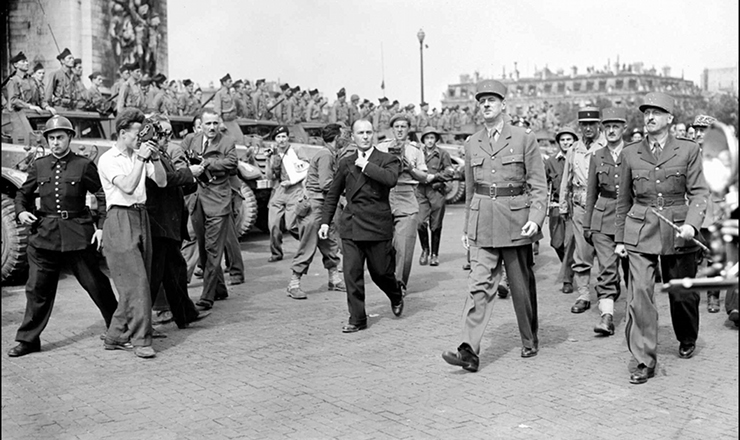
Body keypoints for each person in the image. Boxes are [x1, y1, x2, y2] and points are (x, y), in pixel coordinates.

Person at [442, 79, 547, 372]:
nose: (486, 105)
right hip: (483, 223)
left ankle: (529, 338)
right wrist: (466, 227)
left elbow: (538, 185)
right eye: (481, 101)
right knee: (478, 286)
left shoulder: (524, 138)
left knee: (520, 286)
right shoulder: (472, 142)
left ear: (503, 105)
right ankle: (468, 350)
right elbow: (472, 187)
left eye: (491, 100)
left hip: (515, 220)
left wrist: (535, 220)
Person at [615, 92, 708, 384]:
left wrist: (693, 225)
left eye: (657, 112)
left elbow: (699, 193)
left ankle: (687, 335)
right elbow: (622, 201)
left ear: (670, 119)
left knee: (681, 294)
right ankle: (644, 359)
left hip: (678, 229)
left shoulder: (688, 150)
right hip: (640, 230)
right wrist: (620, 238)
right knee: (640, 293)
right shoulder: (631, 152)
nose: (650, 118)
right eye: (646, 113)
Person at [7, 116, 118, 357]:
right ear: (46, 140)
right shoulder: (39, 165)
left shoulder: (83, 165)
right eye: (52, 138)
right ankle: (28, 340)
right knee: (37, 289)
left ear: (69, 138)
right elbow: (22, 195)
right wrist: (22, 212)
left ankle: (119, 327)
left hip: (77, 234)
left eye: (60, 137)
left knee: (95, 284)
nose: (56, 143)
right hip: (45, 235)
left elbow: (102, 195)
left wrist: (100, 226)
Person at [318, 119, 404, 332]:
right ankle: (357, 318)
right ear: (353, 137)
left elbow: (390, 179)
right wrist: (325, 222)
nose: (365, 136)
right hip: (352, 225)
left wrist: (366, 166)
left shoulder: (387, 159)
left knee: (381, 273)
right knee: (352, 273)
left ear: (373, 134)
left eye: (368, 132)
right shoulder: (346, 162)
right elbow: (333, 194)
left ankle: (395, 294)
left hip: (377, 225)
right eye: (360, 133)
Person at [97, 108, 167, 359]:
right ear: (122, 133)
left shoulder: (138, 155)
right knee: (136, 284)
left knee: (138, 282)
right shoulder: (108, 158)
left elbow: (161, 182)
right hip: (120, 217)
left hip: (141, 216)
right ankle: (141, 340)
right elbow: (126, 186)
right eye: (138, 133)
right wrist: (140, 160)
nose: (142, 137)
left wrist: (155, 158)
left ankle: (116, 335)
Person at [144, 116, 211, 329]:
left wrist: (193, 177)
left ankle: (185, 314)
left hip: (168, 222)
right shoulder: (149, 156)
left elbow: (177, 186)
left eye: (168, 133)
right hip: (159, 223)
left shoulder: (161, 155)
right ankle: (139, 321)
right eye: (163, 134)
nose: (167, 138)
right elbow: (165, 182)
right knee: (157, 277)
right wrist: (188, 174)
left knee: (176, 271)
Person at [181, 109, 238, 310]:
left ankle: (207, 295)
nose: (212, 127)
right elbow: (181, 158)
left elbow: (232, 163)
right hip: (196, 200)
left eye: (215, 123)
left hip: (218, 201)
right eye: (208, 124)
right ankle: (219, 288)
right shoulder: (191, 140)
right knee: (203, 246)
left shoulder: (227, 142)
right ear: (201, 124)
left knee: (213, 249)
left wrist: (207, 164)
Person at [583, 108, 629, 336]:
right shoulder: (597, 156)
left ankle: (637, 314)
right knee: (607, 269)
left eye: (616, 127)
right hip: (602, 220)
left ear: (624, 129)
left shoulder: (634, 153)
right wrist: (587, 224)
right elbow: (591, 193)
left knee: (633, 270)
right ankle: (607, 317)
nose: (611, 131)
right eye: (607, 127)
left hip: (631, 219)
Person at [287, 124, 345, 299]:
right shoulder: (326, 155)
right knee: (308, 245)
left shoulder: (327, 153)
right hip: (315, 206)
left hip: (322, 205)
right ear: (336, 137)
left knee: (328, 243)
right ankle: (293, 283)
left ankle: (334, 279)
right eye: (343, 136)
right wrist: (344, 191)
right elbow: (326, 184)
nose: (345, 138)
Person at [377, 113, 431, 294]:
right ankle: (386, 277)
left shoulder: (415, 150)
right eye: (397, 127)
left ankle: (399, 284)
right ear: (392, 129)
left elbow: (424, 177)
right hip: (384, 195)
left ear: (408, 129)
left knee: (404, 245)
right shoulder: (381, 148)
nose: (400, 130)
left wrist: (410, 168)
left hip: (406, 194)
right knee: (382, 245)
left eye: (403, 127)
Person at [560, 107, 605, 313]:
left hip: (603, 206)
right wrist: (563, 205)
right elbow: (566, 180)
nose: (588, 128)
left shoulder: (607, 146)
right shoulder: (574, 149)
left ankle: (607, 293)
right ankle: (584, 294)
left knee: (606, 253)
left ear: (598, 125)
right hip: (579, 206)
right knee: (582, 253)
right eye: (584, 125)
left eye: (592, 124)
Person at [691, 114, 724, 313]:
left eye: (703, 130)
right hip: (693, 212)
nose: (698, 133)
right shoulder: (690, 153)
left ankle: (713, 295)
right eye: (696, 130)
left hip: (714, 211)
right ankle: (692, 294)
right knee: (691, 255)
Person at [266, 125, 309, 262]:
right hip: (279, 190)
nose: (281, 140)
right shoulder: (274, 153)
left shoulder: (296, 150)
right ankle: (276, 253)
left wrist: (295, 183)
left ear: (288, 137)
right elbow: (269, 176)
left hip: (294, 189)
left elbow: (306, 168)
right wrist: (268, 159)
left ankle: (308, 245)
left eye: (283, 136)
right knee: (273, 224)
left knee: (292, 225)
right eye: (278, 137)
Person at [416, 126, 454, 266]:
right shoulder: (418, 153)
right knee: (420, 222)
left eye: (432, 138)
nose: (430, 141)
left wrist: (435, 177)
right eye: (427, 138)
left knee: (436, 224)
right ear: (423, 140)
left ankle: (434, 254)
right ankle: (425, 250)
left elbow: (449, 172)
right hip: (421, 191)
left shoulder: (443, 154)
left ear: (436, 139)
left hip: (436, 191)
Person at [545, 126, 577, 293]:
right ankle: (570, 266)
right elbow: (543, 184)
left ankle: (567, 279)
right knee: (557, 243)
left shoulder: (580, 158)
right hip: (556, 207)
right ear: (558, 143)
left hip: (575, 207)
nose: (566, 143)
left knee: (570, 243)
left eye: (569, 140)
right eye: (563, 140)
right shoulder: (551, 162)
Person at [213, 73, 241, 140]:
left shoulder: (230, 93)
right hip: (224, 122)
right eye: (229, 81)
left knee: (240, 139)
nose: (231, 83)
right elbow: (217, 111)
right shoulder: (219, 94)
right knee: (229, 140)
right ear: (224, 83)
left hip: (232, 121)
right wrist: (221, 123)